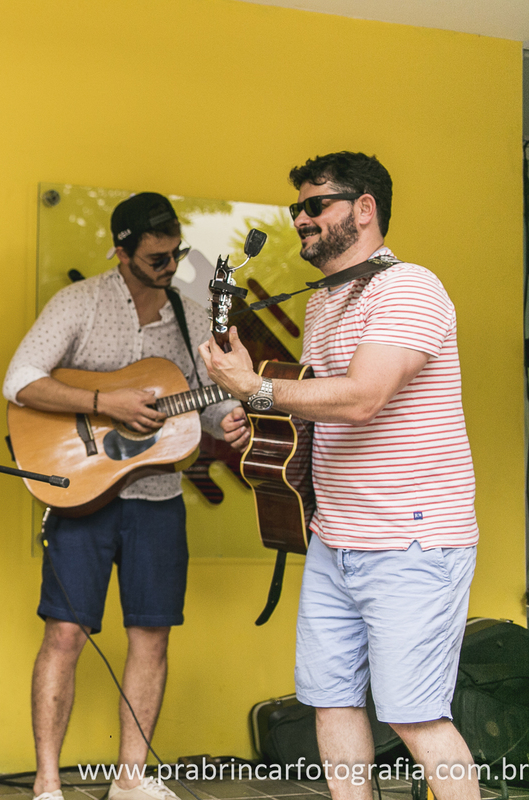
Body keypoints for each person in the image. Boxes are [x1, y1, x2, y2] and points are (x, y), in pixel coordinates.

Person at [198, 152, 478, 800]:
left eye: (315, 204)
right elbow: (318, 411)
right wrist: (257, 419)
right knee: (330, 701)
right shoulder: (325, 303)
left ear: (364, 208)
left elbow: (363, 398)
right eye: (297, 207)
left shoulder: (409, 288)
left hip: (412, 540)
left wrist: (257, 388)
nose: (300, 218)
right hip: (335, 537)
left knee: (414, 715)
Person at [3, 193, 243, 800]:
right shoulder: (79, 303)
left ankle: (130, 780)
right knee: (65, 634)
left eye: (176, 254)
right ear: (121, 252)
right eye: (157, 258)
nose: (170, 267)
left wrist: (229, 420)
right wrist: (103, 403)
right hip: (80, 494)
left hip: (157, 498)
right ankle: (47, 784)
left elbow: (206, 407)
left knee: (152, 637)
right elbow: (19, 381)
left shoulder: (191, 316)